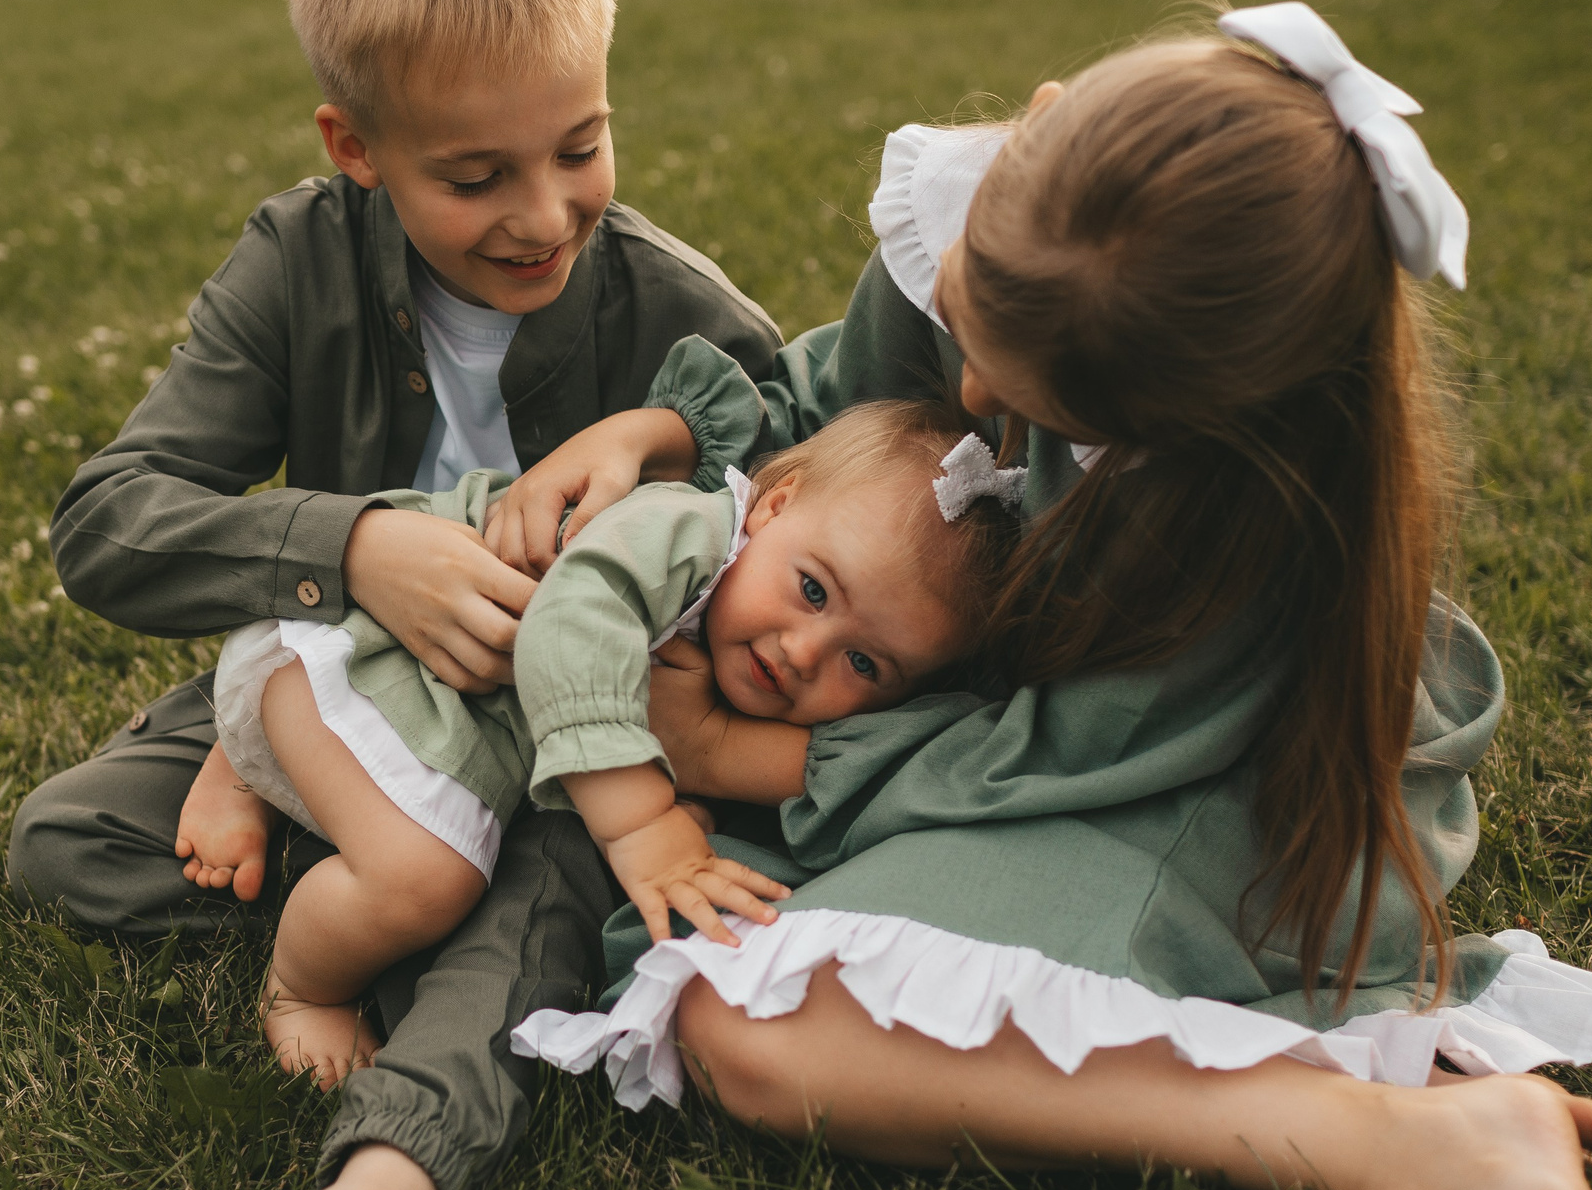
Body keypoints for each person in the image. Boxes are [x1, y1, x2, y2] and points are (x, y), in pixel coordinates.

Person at [508, 4, 1592, 1190]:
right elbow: (851, 422)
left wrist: (741, 753)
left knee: (752, 1021)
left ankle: (1386, 1143)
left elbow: (1063, 753)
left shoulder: (1237, 524)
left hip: (1184, 796)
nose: (972, 394)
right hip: (977, 739)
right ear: (1032, 135)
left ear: (1186, 430)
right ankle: (1390, 1131)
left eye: (1029, 402)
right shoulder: (1010, 247)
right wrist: (659, 434)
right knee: (735, 981)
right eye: (971, 327)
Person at [3, 0, 783, 1190]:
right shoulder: (296, 261)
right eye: (475, 178)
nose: (544, 213)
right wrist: (351, 546)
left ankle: (395, 1044)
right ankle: (355, 848)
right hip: (343, 684)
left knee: (518, 924)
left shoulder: (655, 296)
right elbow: (108, 519)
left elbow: (801, 427)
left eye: (582, 145)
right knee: (68, 843)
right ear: (354, 146)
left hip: (567, 751)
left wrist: (659, 435)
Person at [181, 401, 1023, 1087]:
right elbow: (570, 628)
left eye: (864, 662)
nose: (805, 651)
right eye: (812, 589)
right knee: (424, 878)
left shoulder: (758, 633)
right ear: (773, 505)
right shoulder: (683, 532)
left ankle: (247, 764)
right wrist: (643, 822)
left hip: (432, 704)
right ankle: (304, 988)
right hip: (375, 653)